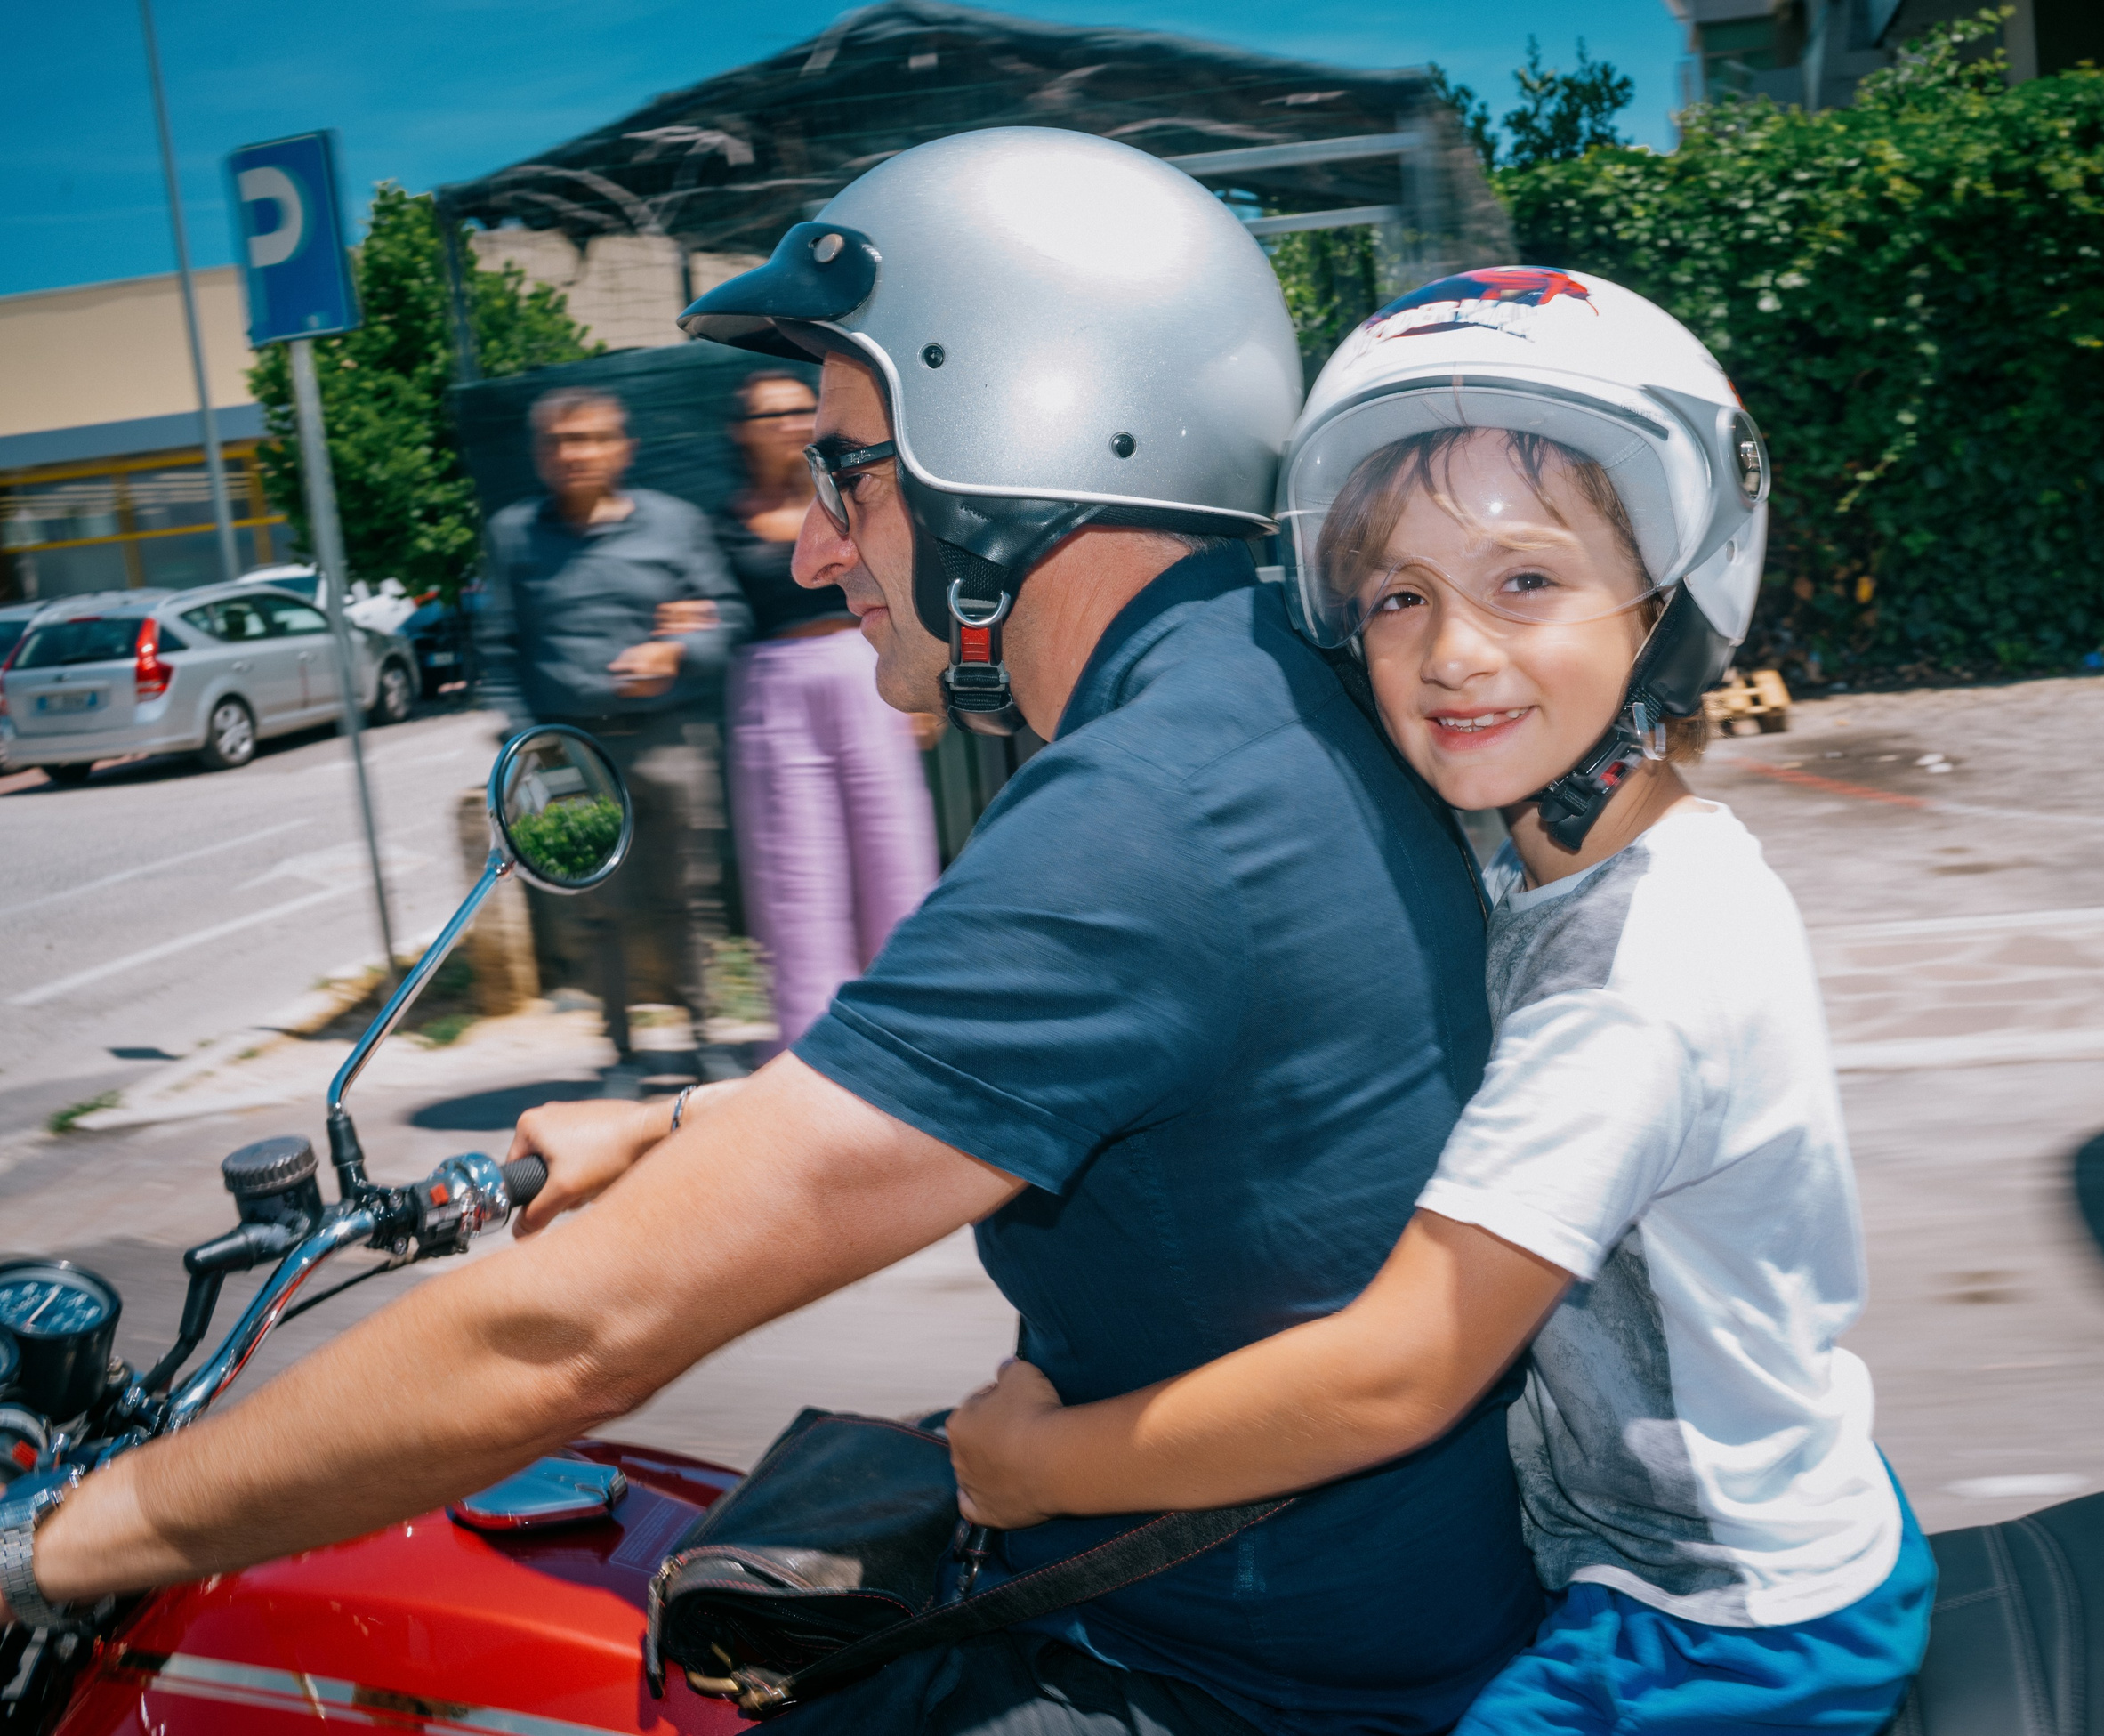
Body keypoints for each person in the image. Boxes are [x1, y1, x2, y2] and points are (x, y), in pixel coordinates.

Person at [10, 133, 1539, 1736]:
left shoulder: (1141, 815)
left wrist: (54, 1544)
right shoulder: (1253, 689)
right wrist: (685, 1114)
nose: (812, 546)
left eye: (846, 468)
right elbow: (1122, 1078)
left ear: (1020, 437)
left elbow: (565, 1330)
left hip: (1222, 1686)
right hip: (1304, 1603)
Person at [946, 271, 1935, 1736]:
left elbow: (1398, 1373)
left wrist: (1044, 1469)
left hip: (1712, 1625)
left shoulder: (1639, 973)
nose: (1455, 647)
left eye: (1525, 580)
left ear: (1666, 603)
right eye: (1398, 593)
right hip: (1685, 1535)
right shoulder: (1546, 863)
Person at [475, 387, 753, 1095]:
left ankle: (703, 1040)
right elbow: (498, 653)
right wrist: (525, 749)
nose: (576, 453)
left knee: (688, 898)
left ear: (623, 448)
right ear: (542, 453)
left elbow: (728, 620)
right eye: (562, 441)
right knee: (600, 912)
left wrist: (675, 654)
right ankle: (623, 1055)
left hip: (671, 743)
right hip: (571, 758)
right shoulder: (513, 535)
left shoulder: (677, 525)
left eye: (593, 438)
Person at [716, 367, 939, 1050]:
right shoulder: (721, 525)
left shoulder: (861, 498)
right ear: (740, 433)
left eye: (798, 409)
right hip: (775, 698)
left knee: (898, 871)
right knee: (798, 893)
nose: (788, 424)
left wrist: (920, 679)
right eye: (770, 413)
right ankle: (812, 1069)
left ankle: (917, 1050)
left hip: (867, 679)